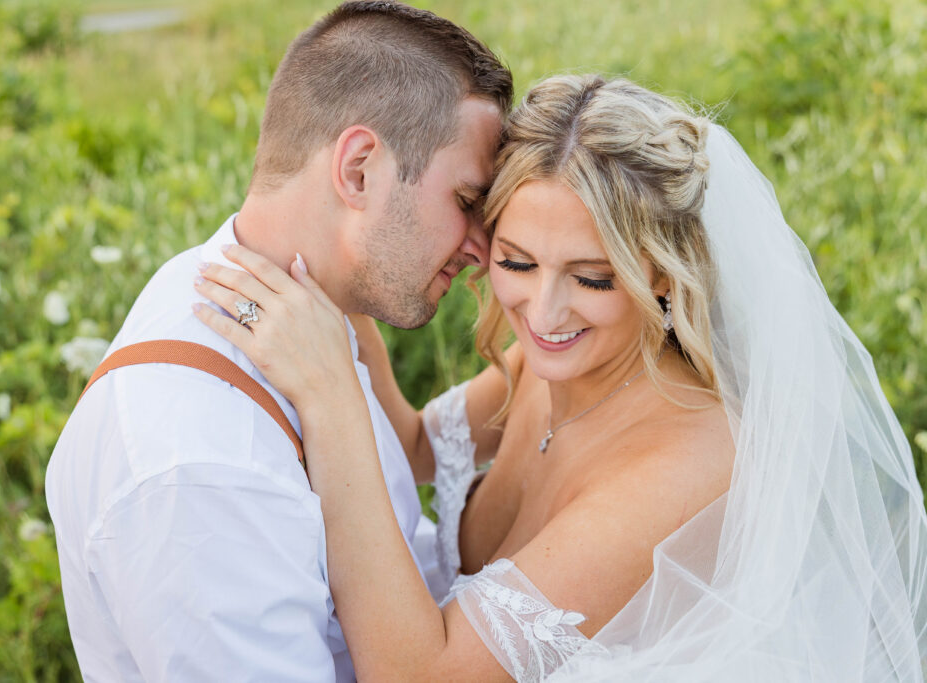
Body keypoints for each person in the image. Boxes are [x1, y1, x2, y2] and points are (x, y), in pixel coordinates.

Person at [196, 73, 927, 681]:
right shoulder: (556, 362)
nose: (542, 313)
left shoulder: (692, 464)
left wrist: (329, 391)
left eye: (592, 277)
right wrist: (337, 278)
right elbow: (419, 441)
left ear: (664, 277)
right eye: (515, 262)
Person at [45, 2, 512, 680]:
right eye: (467, 201)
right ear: (358, 169)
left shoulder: (306, 313)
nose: (481, 249)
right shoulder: (201, 464)